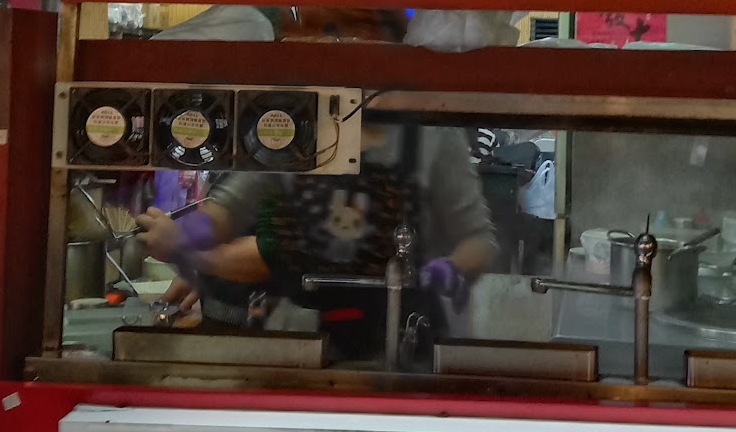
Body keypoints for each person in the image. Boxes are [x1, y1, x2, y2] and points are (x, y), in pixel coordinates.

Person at [138, 115, 498, 352]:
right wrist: (190, 240)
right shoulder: (295, 127)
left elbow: (479, 239)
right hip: (303, 339)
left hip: (403, 338)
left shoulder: (434, 137)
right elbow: (229, 209)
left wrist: (454, 267)